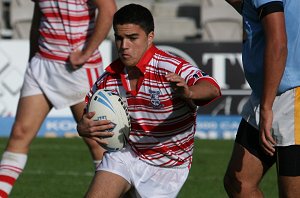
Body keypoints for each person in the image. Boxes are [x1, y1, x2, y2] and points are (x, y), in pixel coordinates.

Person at [77, 3, 221, 198]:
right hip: (126, 155)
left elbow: (212, 88)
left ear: (150, 37)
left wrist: (189, 93)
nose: (124, 46)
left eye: (132, 38)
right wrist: (82, 128)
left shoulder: (169, 67)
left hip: (168, 166)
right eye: (119, 38)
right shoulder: (108, 79)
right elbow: (87, 118)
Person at [0, 0, 116, 197]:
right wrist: (32, 58)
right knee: (20, 134)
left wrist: (86, 53)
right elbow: (39, 16)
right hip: (43, 64)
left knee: (98, 143)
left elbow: (109, 9)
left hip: (79, 70)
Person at [223, 0, 300, 197]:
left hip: (291, 96)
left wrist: (266, 108)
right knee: (238, 182)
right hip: (268, 92)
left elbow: (278, 43)